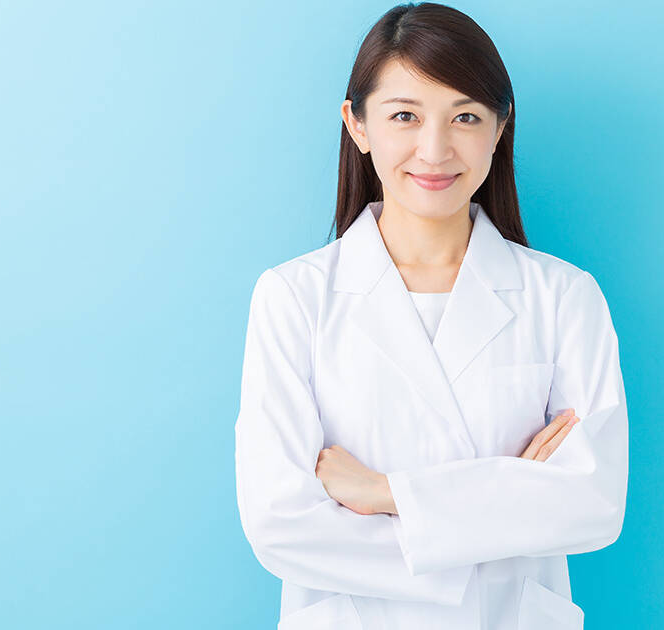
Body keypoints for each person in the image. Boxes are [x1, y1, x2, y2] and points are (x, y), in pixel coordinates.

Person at [234, 4, 628, 629]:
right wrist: (501, 503)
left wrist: (385, 494)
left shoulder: (564, 297)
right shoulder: (294, 298)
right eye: (404, 117)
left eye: (465, 116)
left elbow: (594, 504)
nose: (435, 149)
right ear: (357, 125)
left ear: (501, 129)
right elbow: (280, 525)